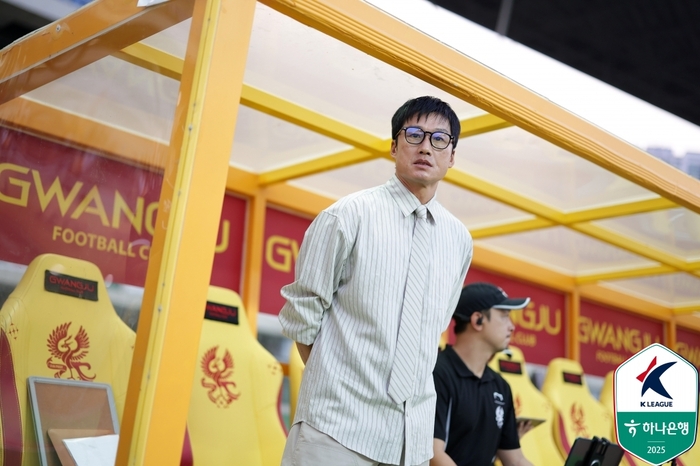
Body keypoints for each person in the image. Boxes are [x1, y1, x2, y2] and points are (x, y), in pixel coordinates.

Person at [279, 96, 473, 466]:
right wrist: (336, 384)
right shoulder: (347, 215)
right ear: (394, 146)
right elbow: (302, 317)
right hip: (335, 431)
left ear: (452, 156)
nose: (425, 147)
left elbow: (431, 329)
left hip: (411, 444)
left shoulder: (459, 239)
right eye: (414, 134)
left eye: (439, 139)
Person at [431, 282, 534, 466]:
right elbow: (433, 454)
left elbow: (516, 460)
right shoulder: (438, 373)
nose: (512, 327)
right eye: (504, 316)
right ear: (478, 320)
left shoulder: (500, 386)